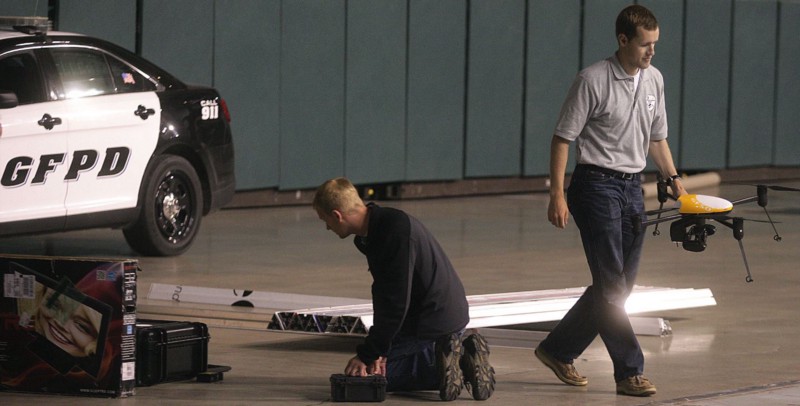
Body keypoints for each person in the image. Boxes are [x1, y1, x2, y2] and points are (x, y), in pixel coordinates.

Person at [536, 5, 687, 397]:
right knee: (612, 286)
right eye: (645, 44)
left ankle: (557, 349)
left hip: (633, 188)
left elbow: (657, 138)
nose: (652, 52)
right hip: (596, 186)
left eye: (655, 44)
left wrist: (673, 180)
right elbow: (562, 139)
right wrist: (556, 193)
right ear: (623, 40)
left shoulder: (654, 79)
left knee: (617, 286)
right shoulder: (592, 80)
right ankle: (629, 371)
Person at [313, 177, 495, 401]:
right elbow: (386, 295)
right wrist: (381, 347)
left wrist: (369, 354)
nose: (327, 227)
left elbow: (395, 303)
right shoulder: (380, 229)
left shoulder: (391, 233)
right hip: (443, 317)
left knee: (372, 377)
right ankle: (458, 354)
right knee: (380, 363)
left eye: (325, 220)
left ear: (337, 215)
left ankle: (457, 363)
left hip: (433, 324)